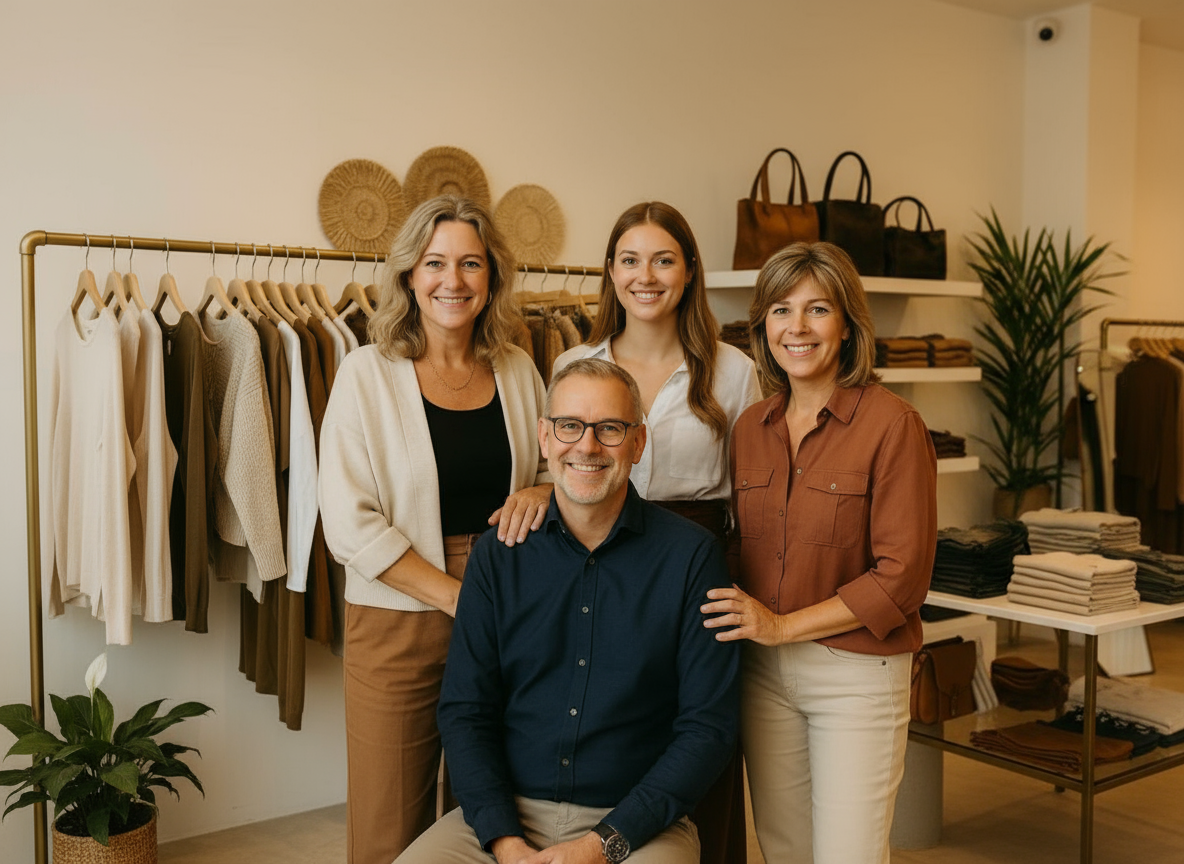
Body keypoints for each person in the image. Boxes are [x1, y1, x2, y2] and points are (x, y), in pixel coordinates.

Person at [396, 358, 740, 864]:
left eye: (610, 428)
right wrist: (504, 842)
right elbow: (466, 711)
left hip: (637, 826)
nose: (587, 445)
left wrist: (602, 845)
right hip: (504, 820)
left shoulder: (692, 557)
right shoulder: (498, 556)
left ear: (639, 442)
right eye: (570, 426)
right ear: (544, 437)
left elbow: (708, 729)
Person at [319, 195, 553, 864]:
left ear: (492, 277)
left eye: (471, 263)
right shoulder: (365, 374)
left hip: (508, 606)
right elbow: (348, 522)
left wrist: (539, 490)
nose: (453, 280)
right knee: (389, 817)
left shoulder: (517, 369)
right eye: (435, 263)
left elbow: (551, 468)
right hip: (398, 612)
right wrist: (456, 596)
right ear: (409, 275)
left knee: (492, 805)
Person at [701, 242, 937, 864]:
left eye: (818, 309)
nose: (797, 327)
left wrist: (783, 626)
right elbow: (741, 545)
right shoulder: (750, 428)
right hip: (762, 672)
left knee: (848, 854)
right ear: (763, 328)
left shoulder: (894, 425)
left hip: (855, 674)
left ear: (848, 324)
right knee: (784, 849)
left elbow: (902, 578)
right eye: (780, 311)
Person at [553, 202, 759, 863]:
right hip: (593, 559)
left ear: (690, 270)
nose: (646, 276)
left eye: (663, 260)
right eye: (631, 260)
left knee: (701, 728)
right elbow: (557, 463)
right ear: (611, 272)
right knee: (607, 725)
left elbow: (753, 495)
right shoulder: (573, 362)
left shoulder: (734, 370)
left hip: (697, 567)